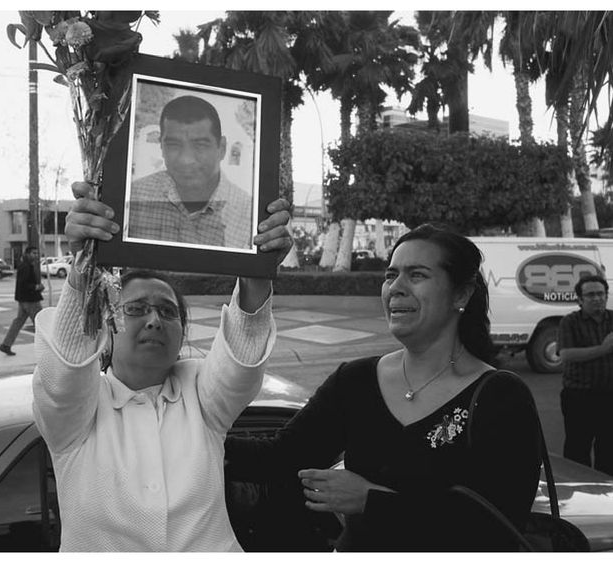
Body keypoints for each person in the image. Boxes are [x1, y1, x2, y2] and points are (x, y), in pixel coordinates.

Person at [225, 223, 543, 551]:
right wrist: (185, 434)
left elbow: (497, 526)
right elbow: (280, 458)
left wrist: (371, 501)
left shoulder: (500, 396)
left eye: (416, 275)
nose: (396, 288)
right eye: (390, 275)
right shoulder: (356, 380)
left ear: (461, 294)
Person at [32, 180, 291, 551]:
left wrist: (256, 272)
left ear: (183, 332)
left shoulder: (200, 397)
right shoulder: (76, 416)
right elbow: (63, 376)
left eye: (168, 312)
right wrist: (85, 264)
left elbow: (239, 364)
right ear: (108, 325)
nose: (154, 320)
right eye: (136, 309)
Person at [128, 95, 253, 249]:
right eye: (173, 145)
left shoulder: (250, 216)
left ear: (221, 148)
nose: (186, 159)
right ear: (161, 146)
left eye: (200, 145)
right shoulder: (134, 198)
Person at [557, 274, 613, 475]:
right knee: (577, 451)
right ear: (579, 300)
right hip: (579, 398)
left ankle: (605, 498)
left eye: (601, 293)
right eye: (590, 295)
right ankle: (577, 497)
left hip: (609, 397)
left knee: (608, 451)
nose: (597, 298)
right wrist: (604, 349)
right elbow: (566, 354)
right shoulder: (569, 322)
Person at [0, 246, 44, 356]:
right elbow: (24, 284)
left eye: (37, 253)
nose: (36, 255)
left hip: (23, 299)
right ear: (27, 254)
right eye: (34, 253)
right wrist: (36, 287)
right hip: (30, 300)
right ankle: (47, 349)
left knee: (18, 322)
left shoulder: (24, 265)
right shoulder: (26, 266)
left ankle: (6, 344)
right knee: (41, 324)